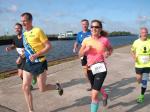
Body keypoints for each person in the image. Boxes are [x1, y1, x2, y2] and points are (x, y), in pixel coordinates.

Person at [20, 12, 63, 112]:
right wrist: (23, 54)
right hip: (28, 63)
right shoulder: (24, 33)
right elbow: (29, 47)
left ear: (30, 21)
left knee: (42, 89)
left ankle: (57, 86)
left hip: (40, 63)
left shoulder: (38, 30)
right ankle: (31, 110)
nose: (23, 23)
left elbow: (49, 46)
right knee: (25, 87)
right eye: (22, 21)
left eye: (25, 21)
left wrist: (36, 55)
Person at [79, 20, 113, 112]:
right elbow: (79, 54)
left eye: (96, 27)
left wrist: (108, 53)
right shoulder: (86, 40)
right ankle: (105, 95)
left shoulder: (104, 40)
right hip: (90, 68)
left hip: (101, 68)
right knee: (95, 87)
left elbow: (110, 49)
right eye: (92, 27)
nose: (94, 28)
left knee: (94, 95)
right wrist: (85, 50)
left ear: (100, 29)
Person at [5, 23, 37, 89]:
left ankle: (34, 75)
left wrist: (23, 53)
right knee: (20, 74)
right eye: (16, 28)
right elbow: (14, 45)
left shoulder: (25, 37)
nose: (17, 30)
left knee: (27, 72)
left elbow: (30, 47)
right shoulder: (14, 38)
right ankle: (29, 85)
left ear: (21, 29)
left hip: (27, 57)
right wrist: (10, 48)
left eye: (18, 28)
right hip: (21, 57)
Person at [131, 27, 150, 103]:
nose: (144, 34)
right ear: (140, 34)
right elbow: (132, 51)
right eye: (143, 32)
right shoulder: (136, 42)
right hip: (138, 65)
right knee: (139, 79)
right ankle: (141, 82)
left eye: (146, 32)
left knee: (144, 81)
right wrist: (134, 57)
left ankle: (141, 96)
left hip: (147, 65)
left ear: (147, 33)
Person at [73, 19, 91, 91]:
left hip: (91, 55)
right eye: (83, 24)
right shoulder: (79, 34)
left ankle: (95, 85)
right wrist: (75, 48)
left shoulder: (91, 32)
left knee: (92, 71)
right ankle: (92, 85)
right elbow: (77, 42)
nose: (84, 25)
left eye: (86, 24)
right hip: (83, 55)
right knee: (86, 72)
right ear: (81, 25)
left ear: (88, 24)